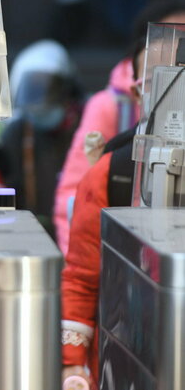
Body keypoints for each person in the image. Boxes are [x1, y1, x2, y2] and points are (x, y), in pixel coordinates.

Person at [52, 0, 185, 253]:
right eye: (169, 39)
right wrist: (93, 267)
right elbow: (74, 196)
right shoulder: (110, 105)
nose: (179, 50)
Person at [60, 39, 146, 388]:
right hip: (128, 358)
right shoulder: (113, 172)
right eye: (157, 79)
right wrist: (72, 365)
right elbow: (82, 274)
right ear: (137, 93)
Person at [1, 40, 83, 236]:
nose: (40, 105)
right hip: (32, 233)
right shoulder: (18, 132)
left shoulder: (86, 124)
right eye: (32, 87)